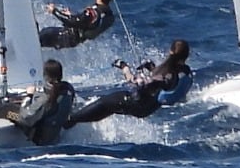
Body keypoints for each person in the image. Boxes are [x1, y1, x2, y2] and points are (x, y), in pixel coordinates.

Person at [66, 39, 194, 127]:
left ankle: (68, 122)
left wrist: (124, 67)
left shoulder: (168, 74)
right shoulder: (184, 71)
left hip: (135, 102)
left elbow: (136, 81)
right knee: (108, 108)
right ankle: (74, 120)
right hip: (147, 109)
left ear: (171, 52)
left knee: (103, 103)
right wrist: (151, 68)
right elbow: (164, 82)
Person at [39, 0, 116, 50]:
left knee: (43, 34)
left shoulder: (94, 12)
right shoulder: (108, 15)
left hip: (66, 36)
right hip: (75, 40)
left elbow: (73, 22)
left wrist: (54, 11)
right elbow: (85, 22)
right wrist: (70, 15)